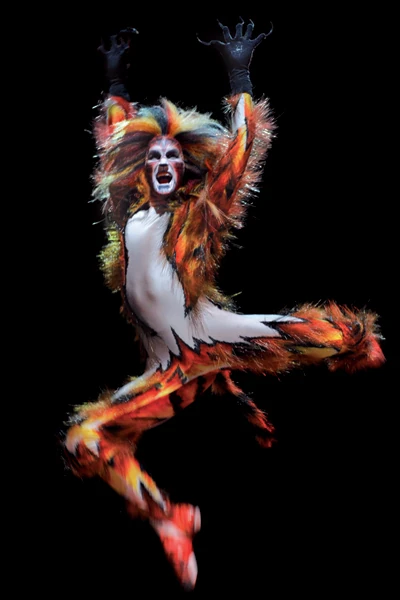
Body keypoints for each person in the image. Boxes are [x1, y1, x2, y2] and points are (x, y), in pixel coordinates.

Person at [64, 20, 385, 590]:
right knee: (83, 440)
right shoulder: (128, 215)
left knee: (334, 337)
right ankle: (167, 518)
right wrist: (115, 85)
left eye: (173, 156)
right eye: (154, 157)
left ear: (184, 168)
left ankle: (356, 344)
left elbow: (238, 159)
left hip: (208, 333)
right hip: (170, 370)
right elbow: (113, 147)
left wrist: (239, 78)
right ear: (144, 168)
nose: (164, 163)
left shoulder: (195, 216)